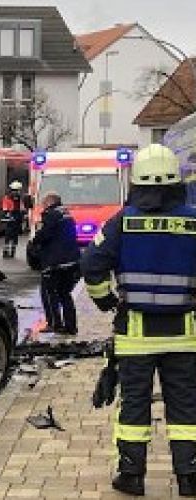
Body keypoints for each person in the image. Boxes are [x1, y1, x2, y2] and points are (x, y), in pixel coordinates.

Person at [80, 144, 196, 497]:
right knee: (186, 408)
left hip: (134, 334)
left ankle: (131, 475)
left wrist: (105, 301)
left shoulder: (122, 222)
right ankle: (189, 476)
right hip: (185, 336)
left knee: (134, 403)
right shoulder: (193, 221)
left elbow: (91, 265)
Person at [32, 192, 80, 335]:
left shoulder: (51, 215)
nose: (42, 205)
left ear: (49, 202)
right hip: (71, 261)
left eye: (44, 202)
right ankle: (71, 326)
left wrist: (35, 241)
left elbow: (44, 235)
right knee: (65, 294)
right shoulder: (66, 213)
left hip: (55, 263)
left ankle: (54, 324)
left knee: (48, 293)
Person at [0, 181, 27, 259]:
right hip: (14, 218)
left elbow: (5, 208)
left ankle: (8, 252)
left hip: (13, 218)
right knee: (12, 236)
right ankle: (10, 252)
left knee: (9, 236)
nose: (17, 192)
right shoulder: (18, 198)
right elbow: (6, 209)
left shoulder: (9, 198)